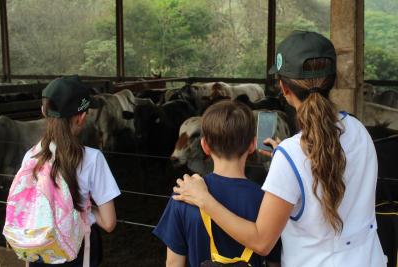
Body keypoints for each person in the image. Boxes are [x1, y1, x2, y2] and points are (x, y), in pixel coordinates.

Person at [173, 31, 387, 267]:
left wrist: (204, 199)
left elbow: (262, 241)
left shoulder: (291, 155)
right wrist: (288, 163)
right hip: (369, 259)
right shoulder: (360, 131)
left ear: (283, 89)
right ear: (333, 81)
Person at [153, 100, 281, 267]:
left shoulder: (184, 195)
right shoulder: (268, 201)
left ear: (205, 146)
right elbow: (275, 264)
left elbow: (173, 263)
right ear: (252, 145)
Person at [26, 75, 121, 267]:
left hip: (39, 251)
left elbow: (31, 211)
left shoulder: (31, 156)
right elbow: (109, 223)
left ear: (43, 112)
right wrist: (82, 205)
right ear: (82, 117)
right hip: (77, 253)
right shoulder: (93, 158)